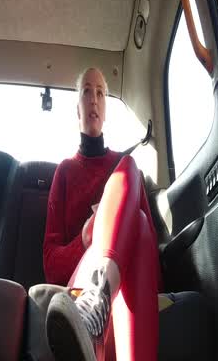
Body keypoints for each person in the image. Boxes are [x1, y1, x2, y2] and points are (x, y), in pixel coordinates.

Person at [43, 68, 162, 361]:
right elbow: (51, 266)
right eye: (86, 91)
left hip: (121, 285)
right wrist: (86, 238)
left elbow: (150, 253)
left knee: (137, 206)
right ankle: (95, 299)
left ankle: (100, 301)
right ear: (78, 109)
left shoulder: (123, 165)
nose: (94, 99)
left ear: (106, 110)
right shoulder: (65, 171)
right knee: (133, 193)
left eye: (100, 93)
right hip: (81, 285)